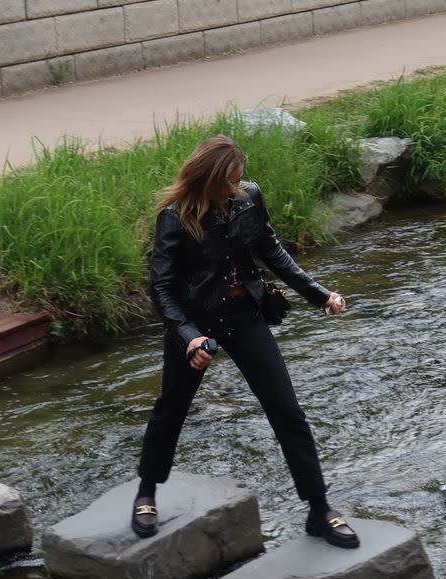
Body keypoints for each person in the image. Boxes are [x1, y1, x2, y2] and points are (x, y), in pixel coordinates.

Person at [132, 134, 359, 548]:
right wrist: (188, 337)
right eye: (228, 182)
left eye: (239, 180)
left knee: (287, 411)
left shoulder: (249, 197)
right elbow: (161, 290)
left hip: (244, 317)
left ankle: (319, 509)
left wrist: (319, 294)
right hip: (196, 326)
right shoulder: (175, 217)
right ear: (207, 179)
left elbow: (272, 252)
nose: (235, 188)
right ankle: (147, 491)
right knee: (171, 408)